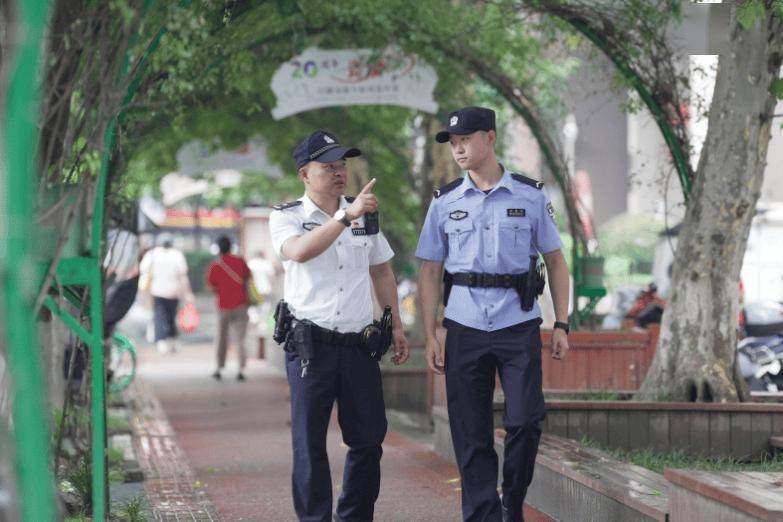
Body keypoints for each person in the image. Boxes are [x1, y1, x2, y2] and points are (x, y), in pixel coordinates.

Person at [416, 107, 571, 522]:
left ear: (490, 137)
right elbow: (430, 269)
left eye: (466, 138)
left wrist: (561, 322)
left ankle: (512, 500)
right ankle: (483, 514)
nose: (458, 148)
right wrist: (431, 331)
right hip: (463, 325)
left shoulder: (530, 195)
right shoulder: (444, 202)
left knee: (524, 421)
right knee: (470, 434)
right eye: (452, 141)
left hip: (517, 323)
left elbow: (556, 262)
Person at [268, 130, 410, 522]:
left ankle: (354, 516)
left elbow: (381, 272)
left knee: (368, 440)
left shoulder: (363, 215)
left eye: (342, 165)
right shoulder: (287, 217)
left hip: (358, 346)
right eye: (327, 166)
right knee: (309, 444)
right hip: (310, 347)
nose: (338, 173)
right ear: (304, 174)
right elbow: (299, 251)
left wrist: (395, 325)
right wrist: (345, 217)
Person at [206, 235, 252, 381]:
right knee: (240, 338)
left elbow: (211, 287)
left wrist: (221, 290)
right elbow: (248, 279)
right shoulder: (240, 262)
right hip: (241, 304)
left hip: (223, 306)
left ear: (218, 248)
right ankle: (241, 369)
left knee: (221, 337)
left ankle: (219, 368)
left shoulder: (215, 265)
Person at [139, 233, 193, 354]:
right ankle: (172, 340)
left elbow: (144, 272)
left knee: (158, 316)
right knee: (171, 317)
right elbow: (183, 276)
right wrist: (187, 293)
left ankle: (161, 342)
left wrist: (144, 293)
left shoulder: (152, 255)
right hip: (174, 292)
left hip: (157, 291)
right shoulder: (177, 255)